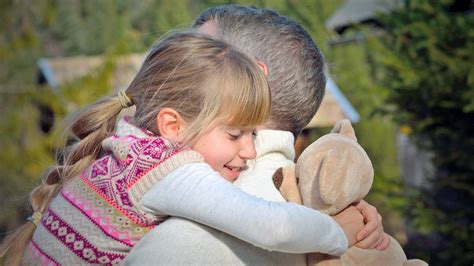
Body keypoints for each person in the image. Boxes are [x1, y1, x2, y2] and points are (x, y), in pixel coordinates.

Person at [0, 32, 364, 265]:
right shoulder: (168, 170)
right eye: (236, 135)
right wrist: (337, 232)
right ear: (173, 126)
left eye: (254, 136)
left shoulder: (126, 144)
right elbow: (271, 227)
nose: (251, 151)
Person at [125, 5, 389, 265]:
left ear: (253, 78)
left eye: (202, 55)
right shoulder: (336, 216)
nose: (173, 69)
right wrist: (338, 221)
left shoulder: (178, 244)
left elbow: (275, 226)